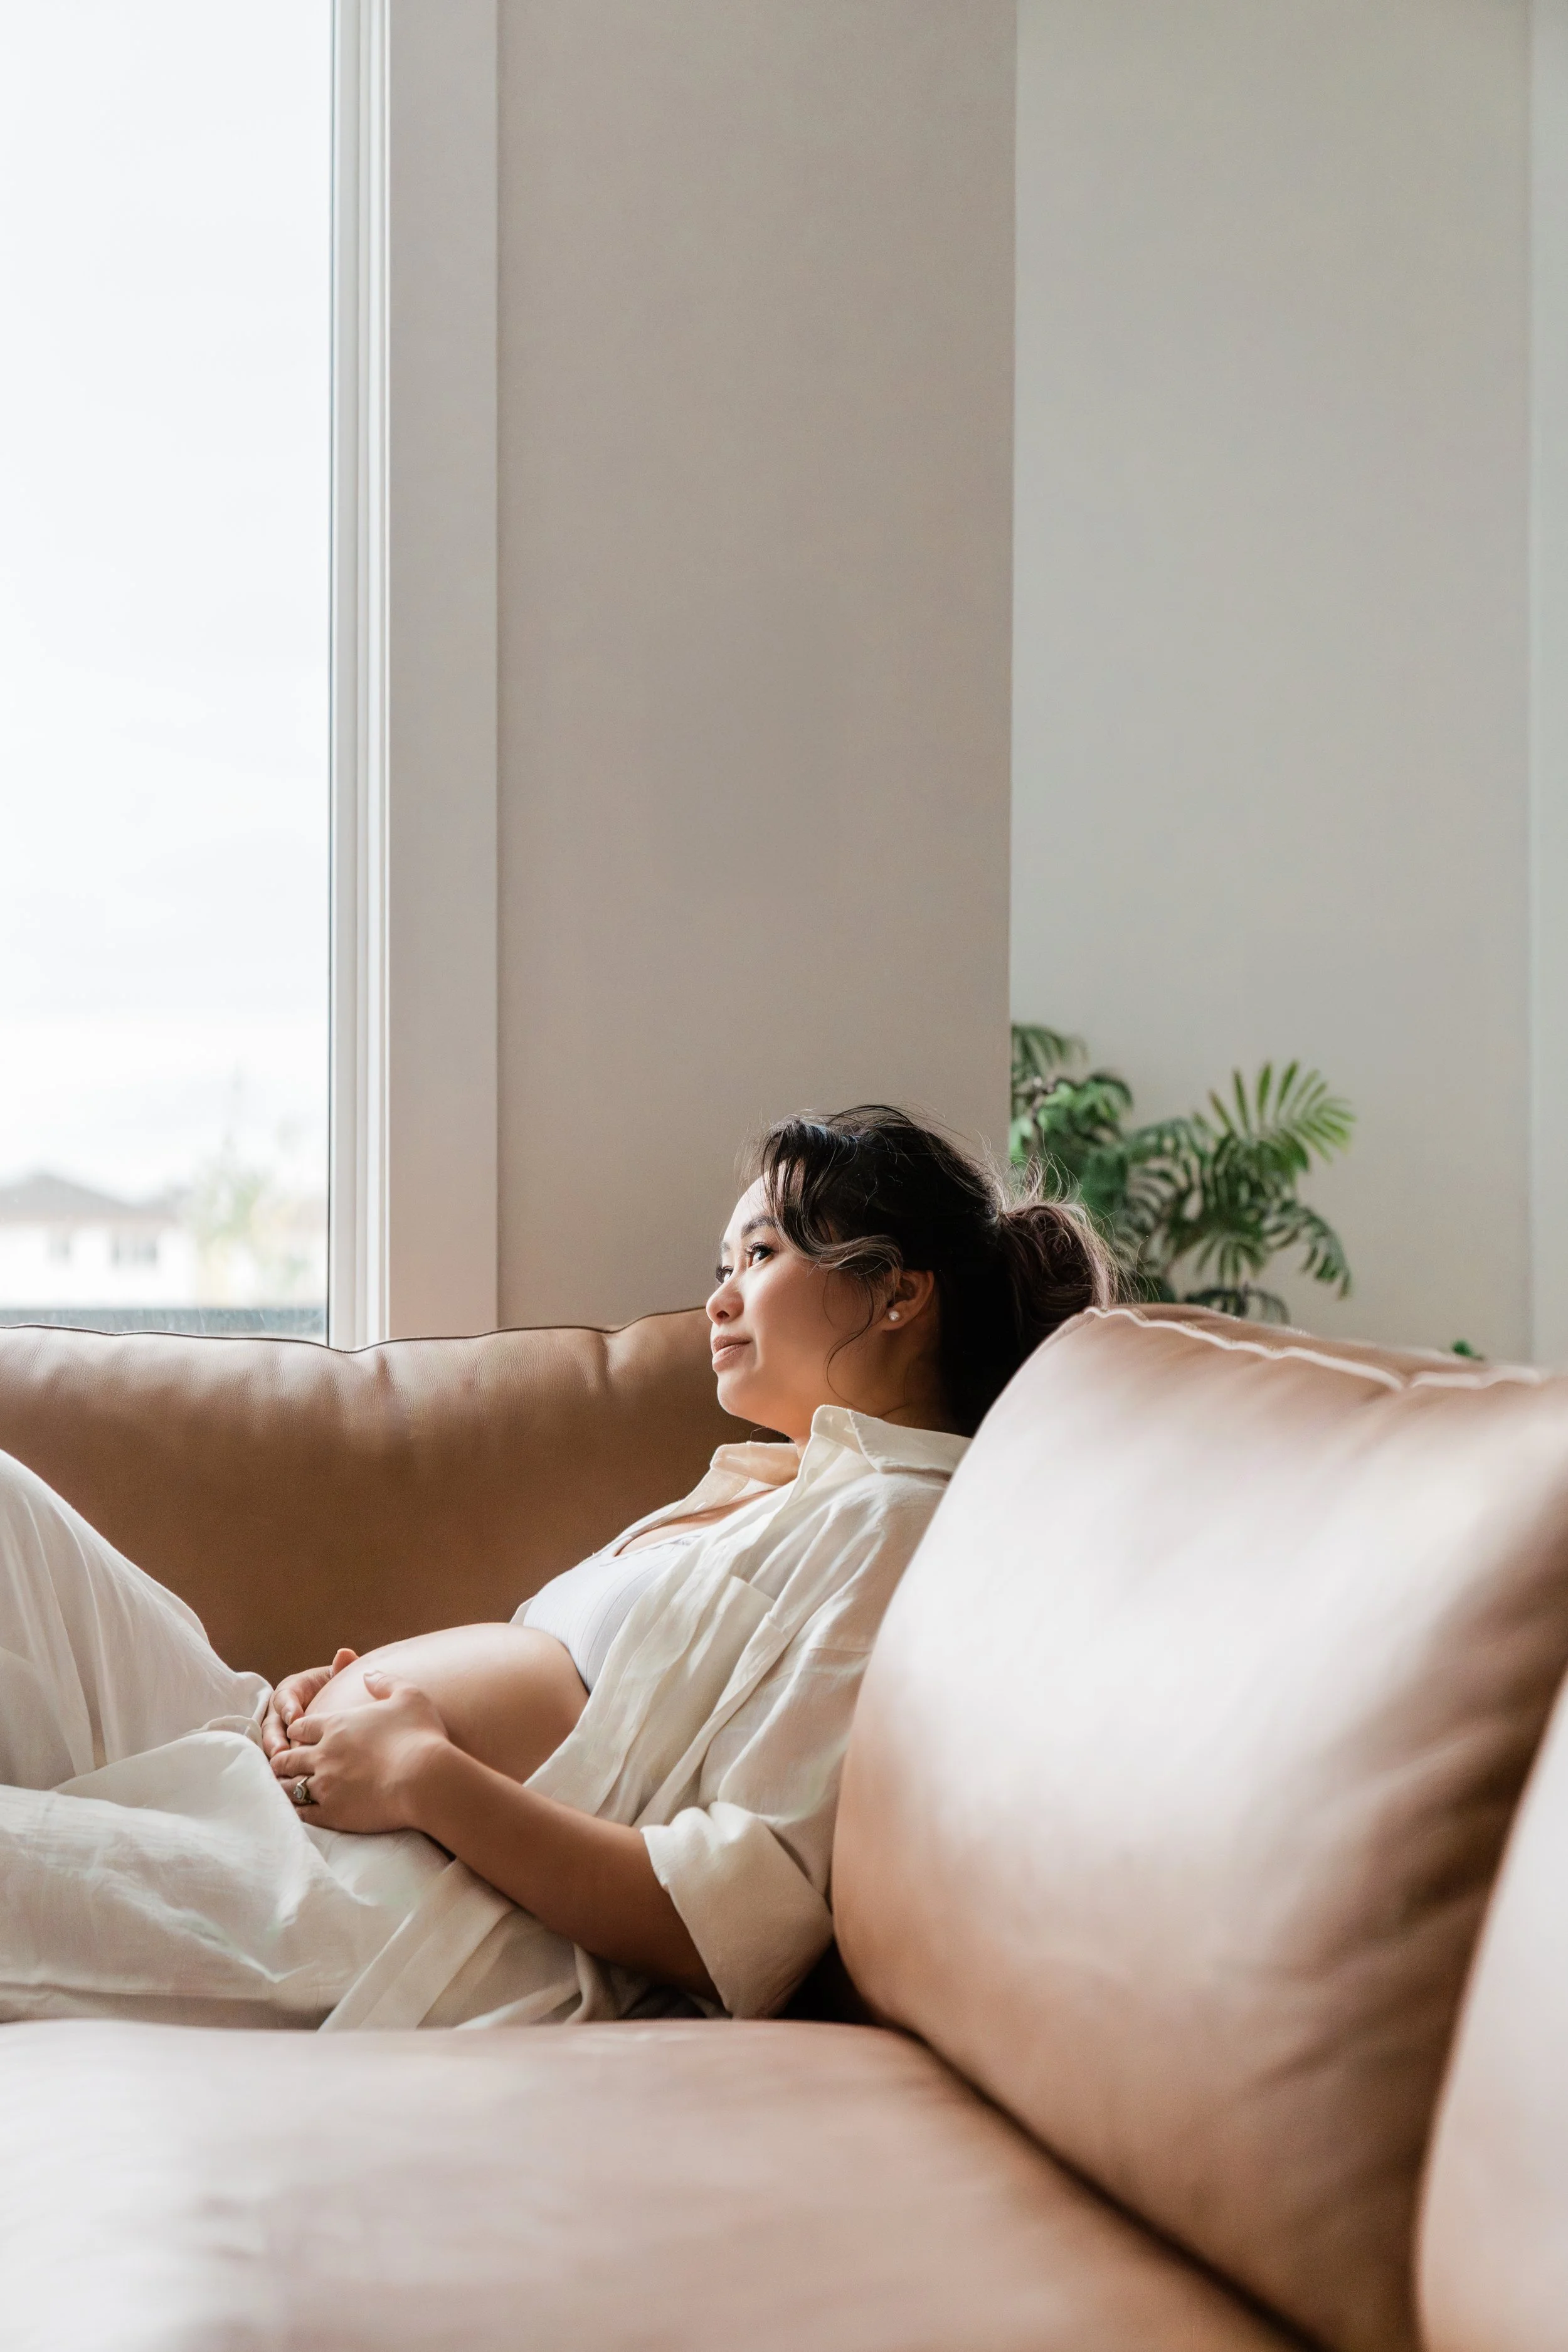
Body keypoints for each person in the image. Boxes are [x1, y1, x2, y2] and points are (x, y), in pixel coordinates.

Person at [0, 1107, 1113, 2031]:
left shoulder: (898, 1526)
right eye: (722, 1263)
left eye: (763, 1254)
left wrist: (424, 1772)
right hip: (269, 1760)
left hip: (395, 1906)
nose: (719, 1296)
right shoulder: (758, 1488)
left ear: (896, 1293)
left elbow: (732, 1921)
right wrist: (342, 1698)